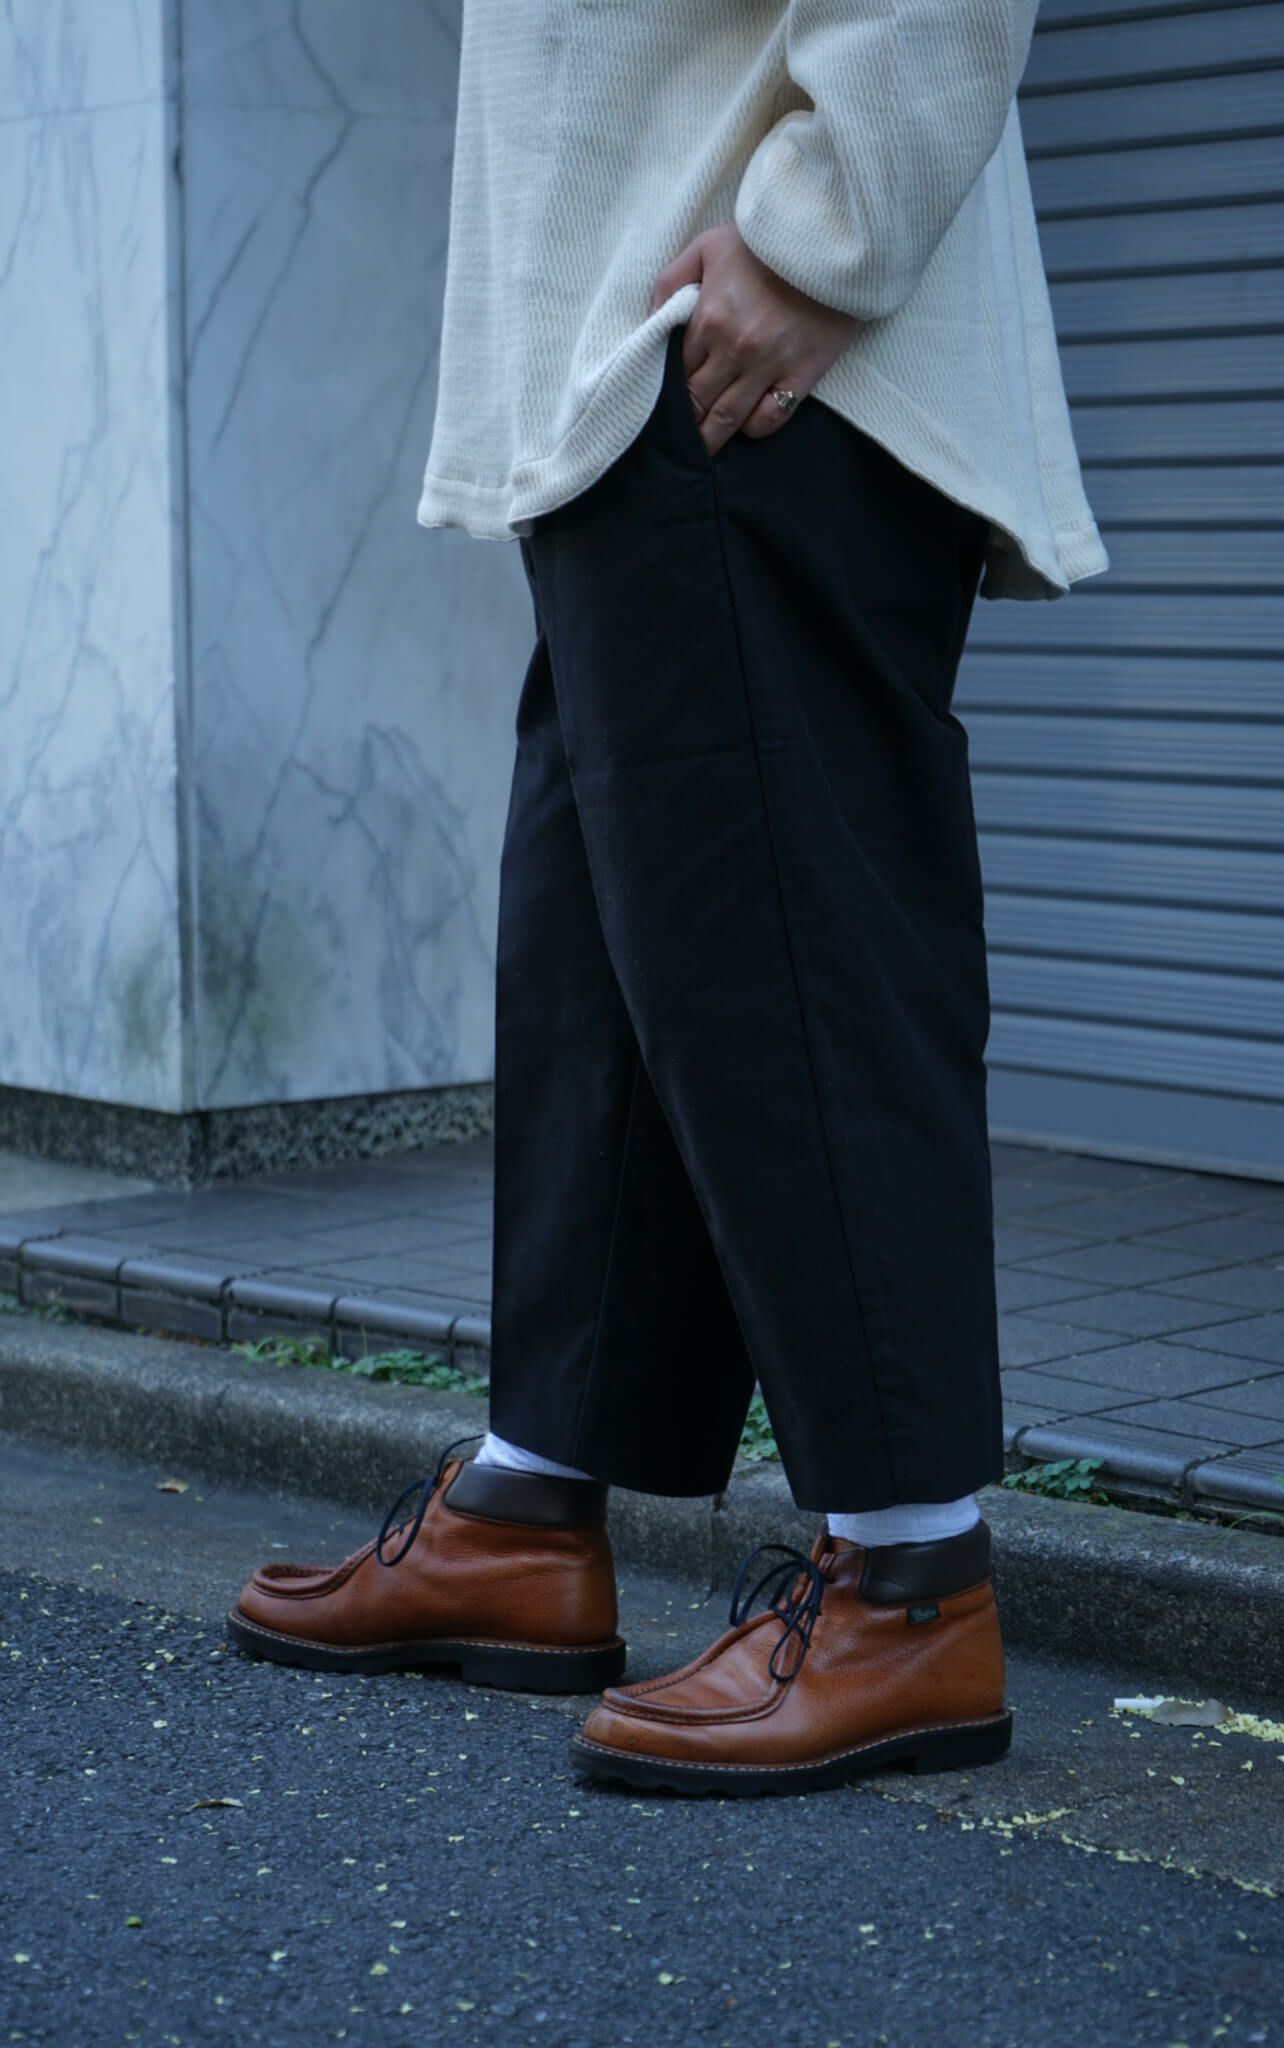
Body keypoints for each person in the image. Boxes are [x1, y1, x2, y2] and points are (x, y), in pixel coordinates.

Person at [228, 0, 1107, 1797]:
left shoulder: (779, 294)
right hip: (627, 359)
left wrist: (826, 226)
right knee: (617, 963)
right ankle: (530, 1507)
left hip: (755, 341)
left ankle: (911, 1585)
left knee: (794, 955)